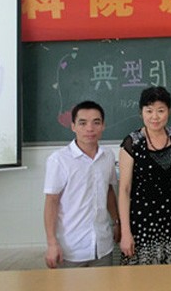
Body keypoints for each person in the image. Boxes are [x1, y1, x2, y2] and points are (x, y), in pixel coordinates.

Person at [43, 100, 119, 269]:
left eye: (96, 122)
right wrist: (52, 243)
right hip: (71, 249)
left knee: (106, 286)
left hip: (103, 246)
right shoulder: (59, 160)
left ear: (103, 126)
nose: (90, 129)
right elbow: (51, 202)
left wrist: (116, 222)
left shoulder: (108, 156)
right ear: (73, 126)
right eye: (82, 123)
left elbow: (108, 191)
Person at [118, 86, 171, 265]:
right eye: (149, 111)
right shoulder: (132, 143)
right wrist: (125, 233)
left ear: (168, 112)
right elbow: (124, 190)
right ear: (141, 112)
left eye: (160, 111)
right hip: (140, 224)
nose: (154, 117)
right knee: (140, 279)